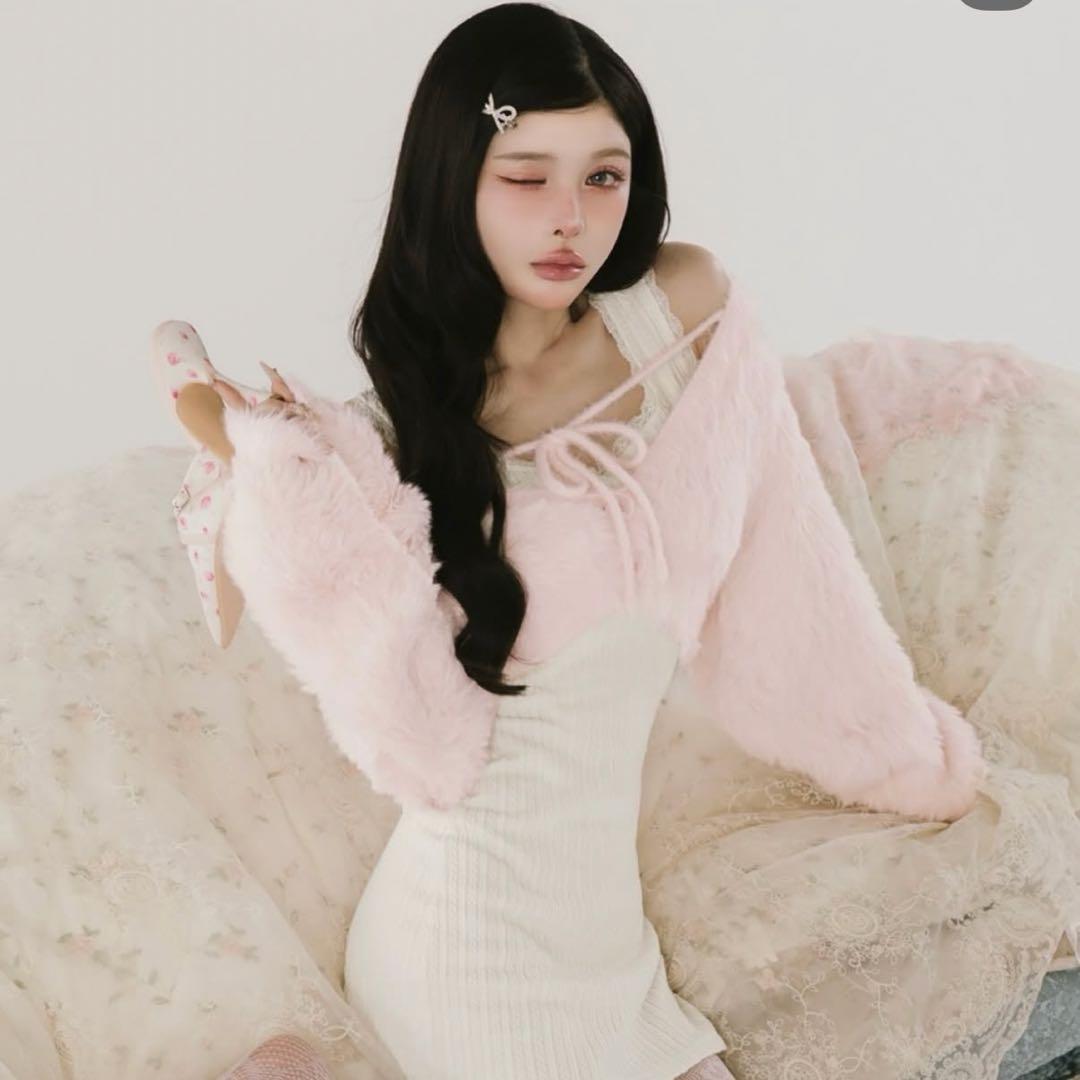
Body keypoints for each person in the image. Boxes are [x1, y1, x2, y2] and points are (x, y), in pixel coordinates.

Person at [200, 2, 1079, 1077]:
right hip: (467, 953)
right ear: (454, 180)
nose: (570, 219)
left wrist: (912, 762)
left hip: (609, 954)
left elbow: (790, 563)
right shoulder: (397, 436)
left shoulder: (681, 316)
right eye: (527, 178)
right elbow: (411, 741)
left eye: (604, 176)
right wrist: (277, 473)